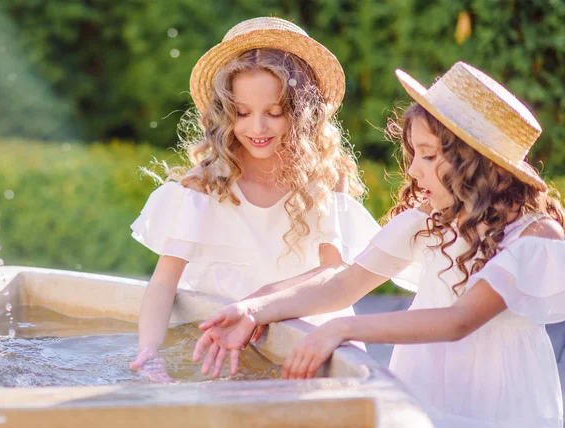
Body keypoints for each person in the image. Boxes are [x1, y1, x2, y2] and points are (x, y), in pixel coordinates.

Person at [194, 61, 565, 428]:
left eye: (429, 155)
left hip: (501, 400)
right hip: (423, 382)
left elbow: (459, 320)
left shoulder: (535, 237)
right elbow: (342, 284)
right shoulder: (431, 218)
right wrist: (253, 309)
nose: (414, 170)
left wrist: (343, 329)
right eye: (414, 153)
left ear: (476, 163)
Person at [128, 17, 381, 382]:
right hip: (218, 340)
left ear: (300, 113)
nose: (257, 128)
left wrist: (259, 303)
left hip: (303, 334)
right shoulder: (205, 186)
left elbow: (333, 273)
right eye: (242, 114)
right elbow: (164, 281)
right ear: (224, 114)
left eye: (274, 113)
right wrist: (148, 349)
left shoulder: (322, 181)